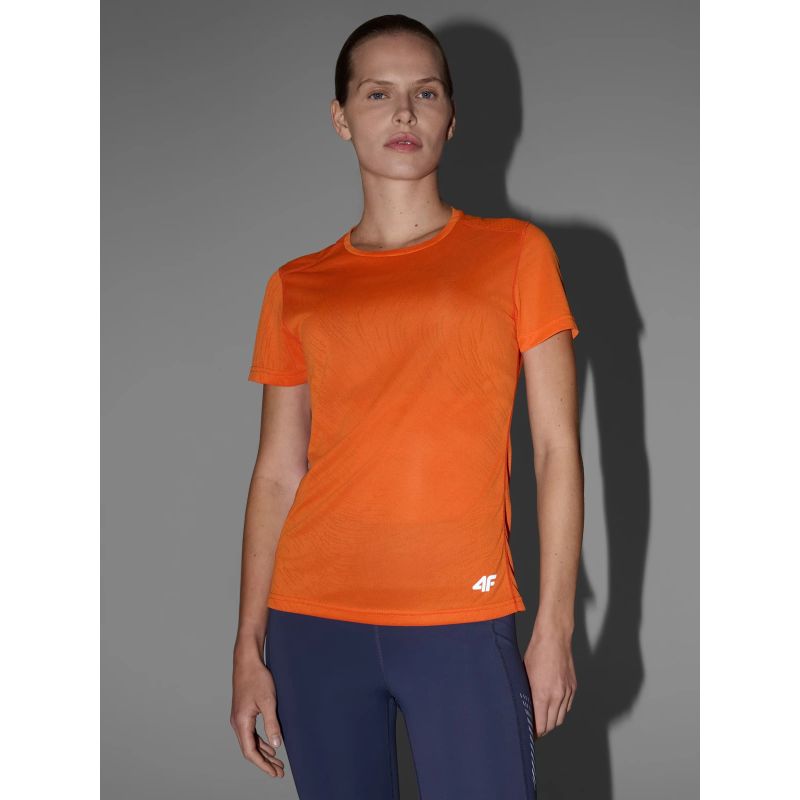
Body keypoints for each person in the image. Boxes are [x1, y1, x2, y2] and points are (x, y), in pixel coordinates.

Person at [230, 13, 583, 800]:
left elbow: (556, 449)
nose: (403, 112)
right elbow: (278, 472)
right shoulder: (297, 285)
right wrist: (248, 644)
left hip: (461, 615)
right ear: (341, 117)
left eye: (425, 93)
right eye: (377, 93)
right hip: (312, 620)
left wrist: (555, 625)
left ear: (451, 118)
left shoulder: (515, 254)